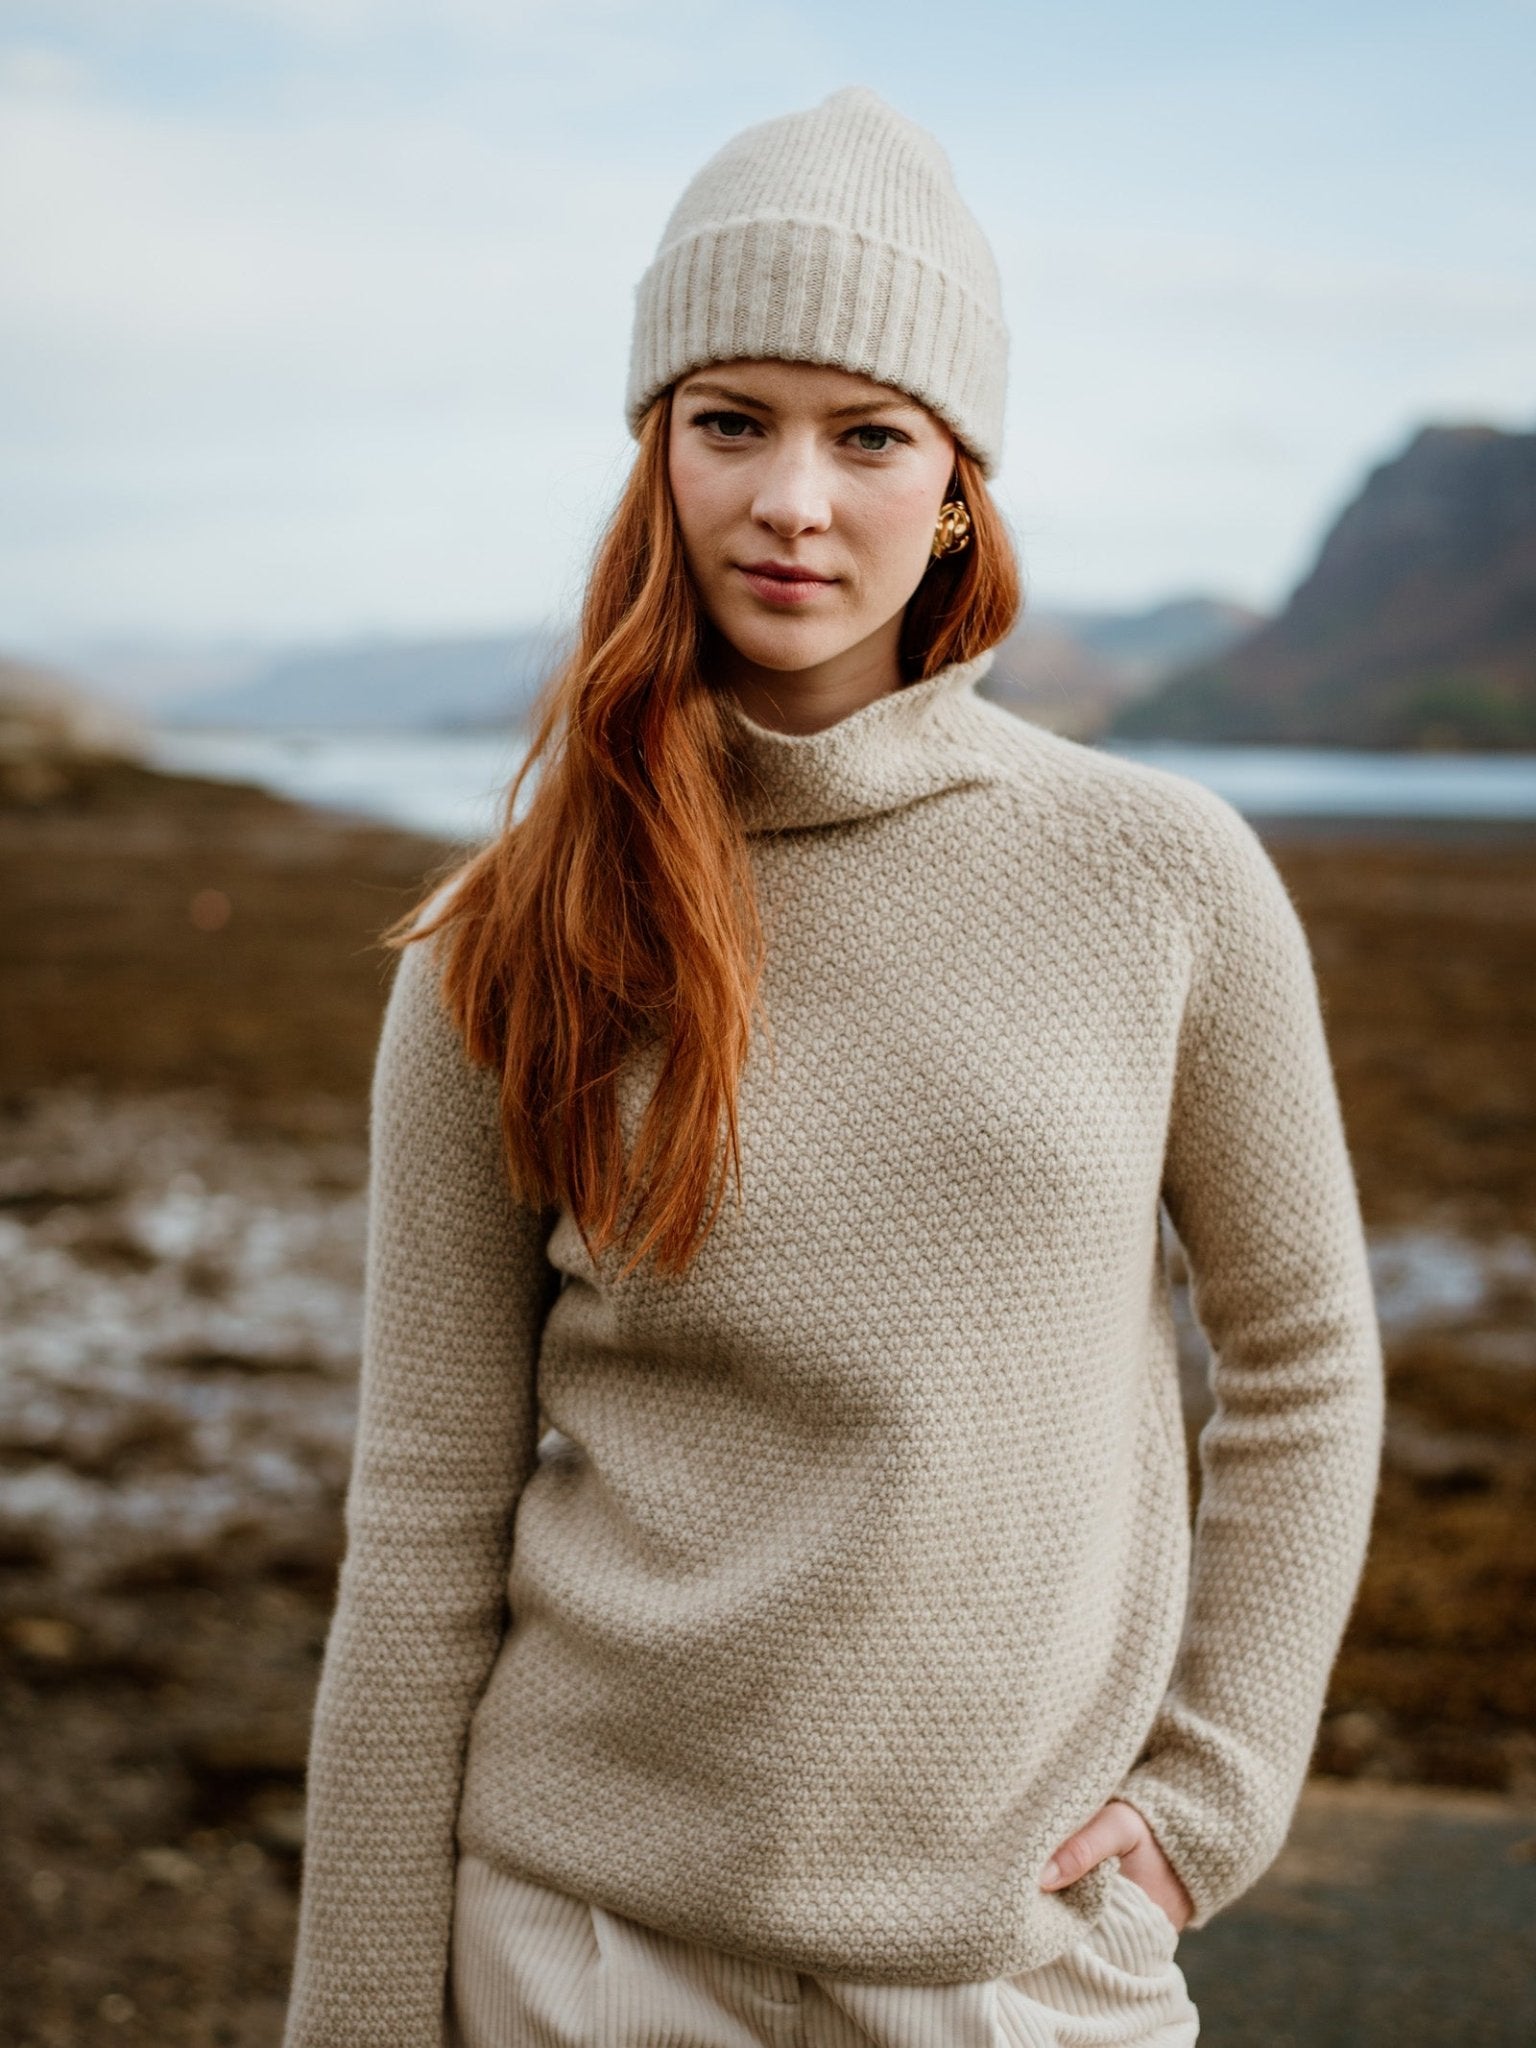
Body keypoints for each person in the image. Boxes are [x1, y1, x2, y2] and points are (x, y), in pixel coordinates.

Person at [281, 86, 1385, 2048]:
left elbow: (1304, 1357)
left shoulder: (1164, 877)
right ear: (658, 455)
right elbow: (428, 1520)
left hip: (1022, 1970)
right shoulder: (503, 941)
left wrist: (1206, 1802)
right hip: (581, 1953)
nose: (796, 500)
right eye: (735, 421)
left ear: (957, 475)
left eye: (868, 434)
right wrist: (360, 2012)